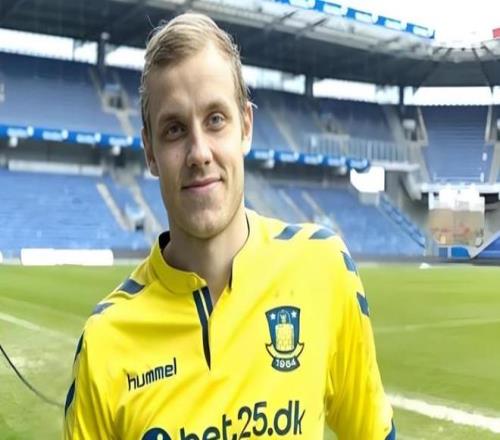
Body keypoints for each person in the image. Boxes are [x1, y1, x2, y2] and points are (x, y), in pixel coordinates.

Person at [63, 12, 395, 440]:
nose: (199, 152)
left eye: (216, 119)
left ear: (246, 127)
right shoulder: (106, 342)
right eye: (174, 129)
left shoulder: (324, 269)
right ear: (150, 151)